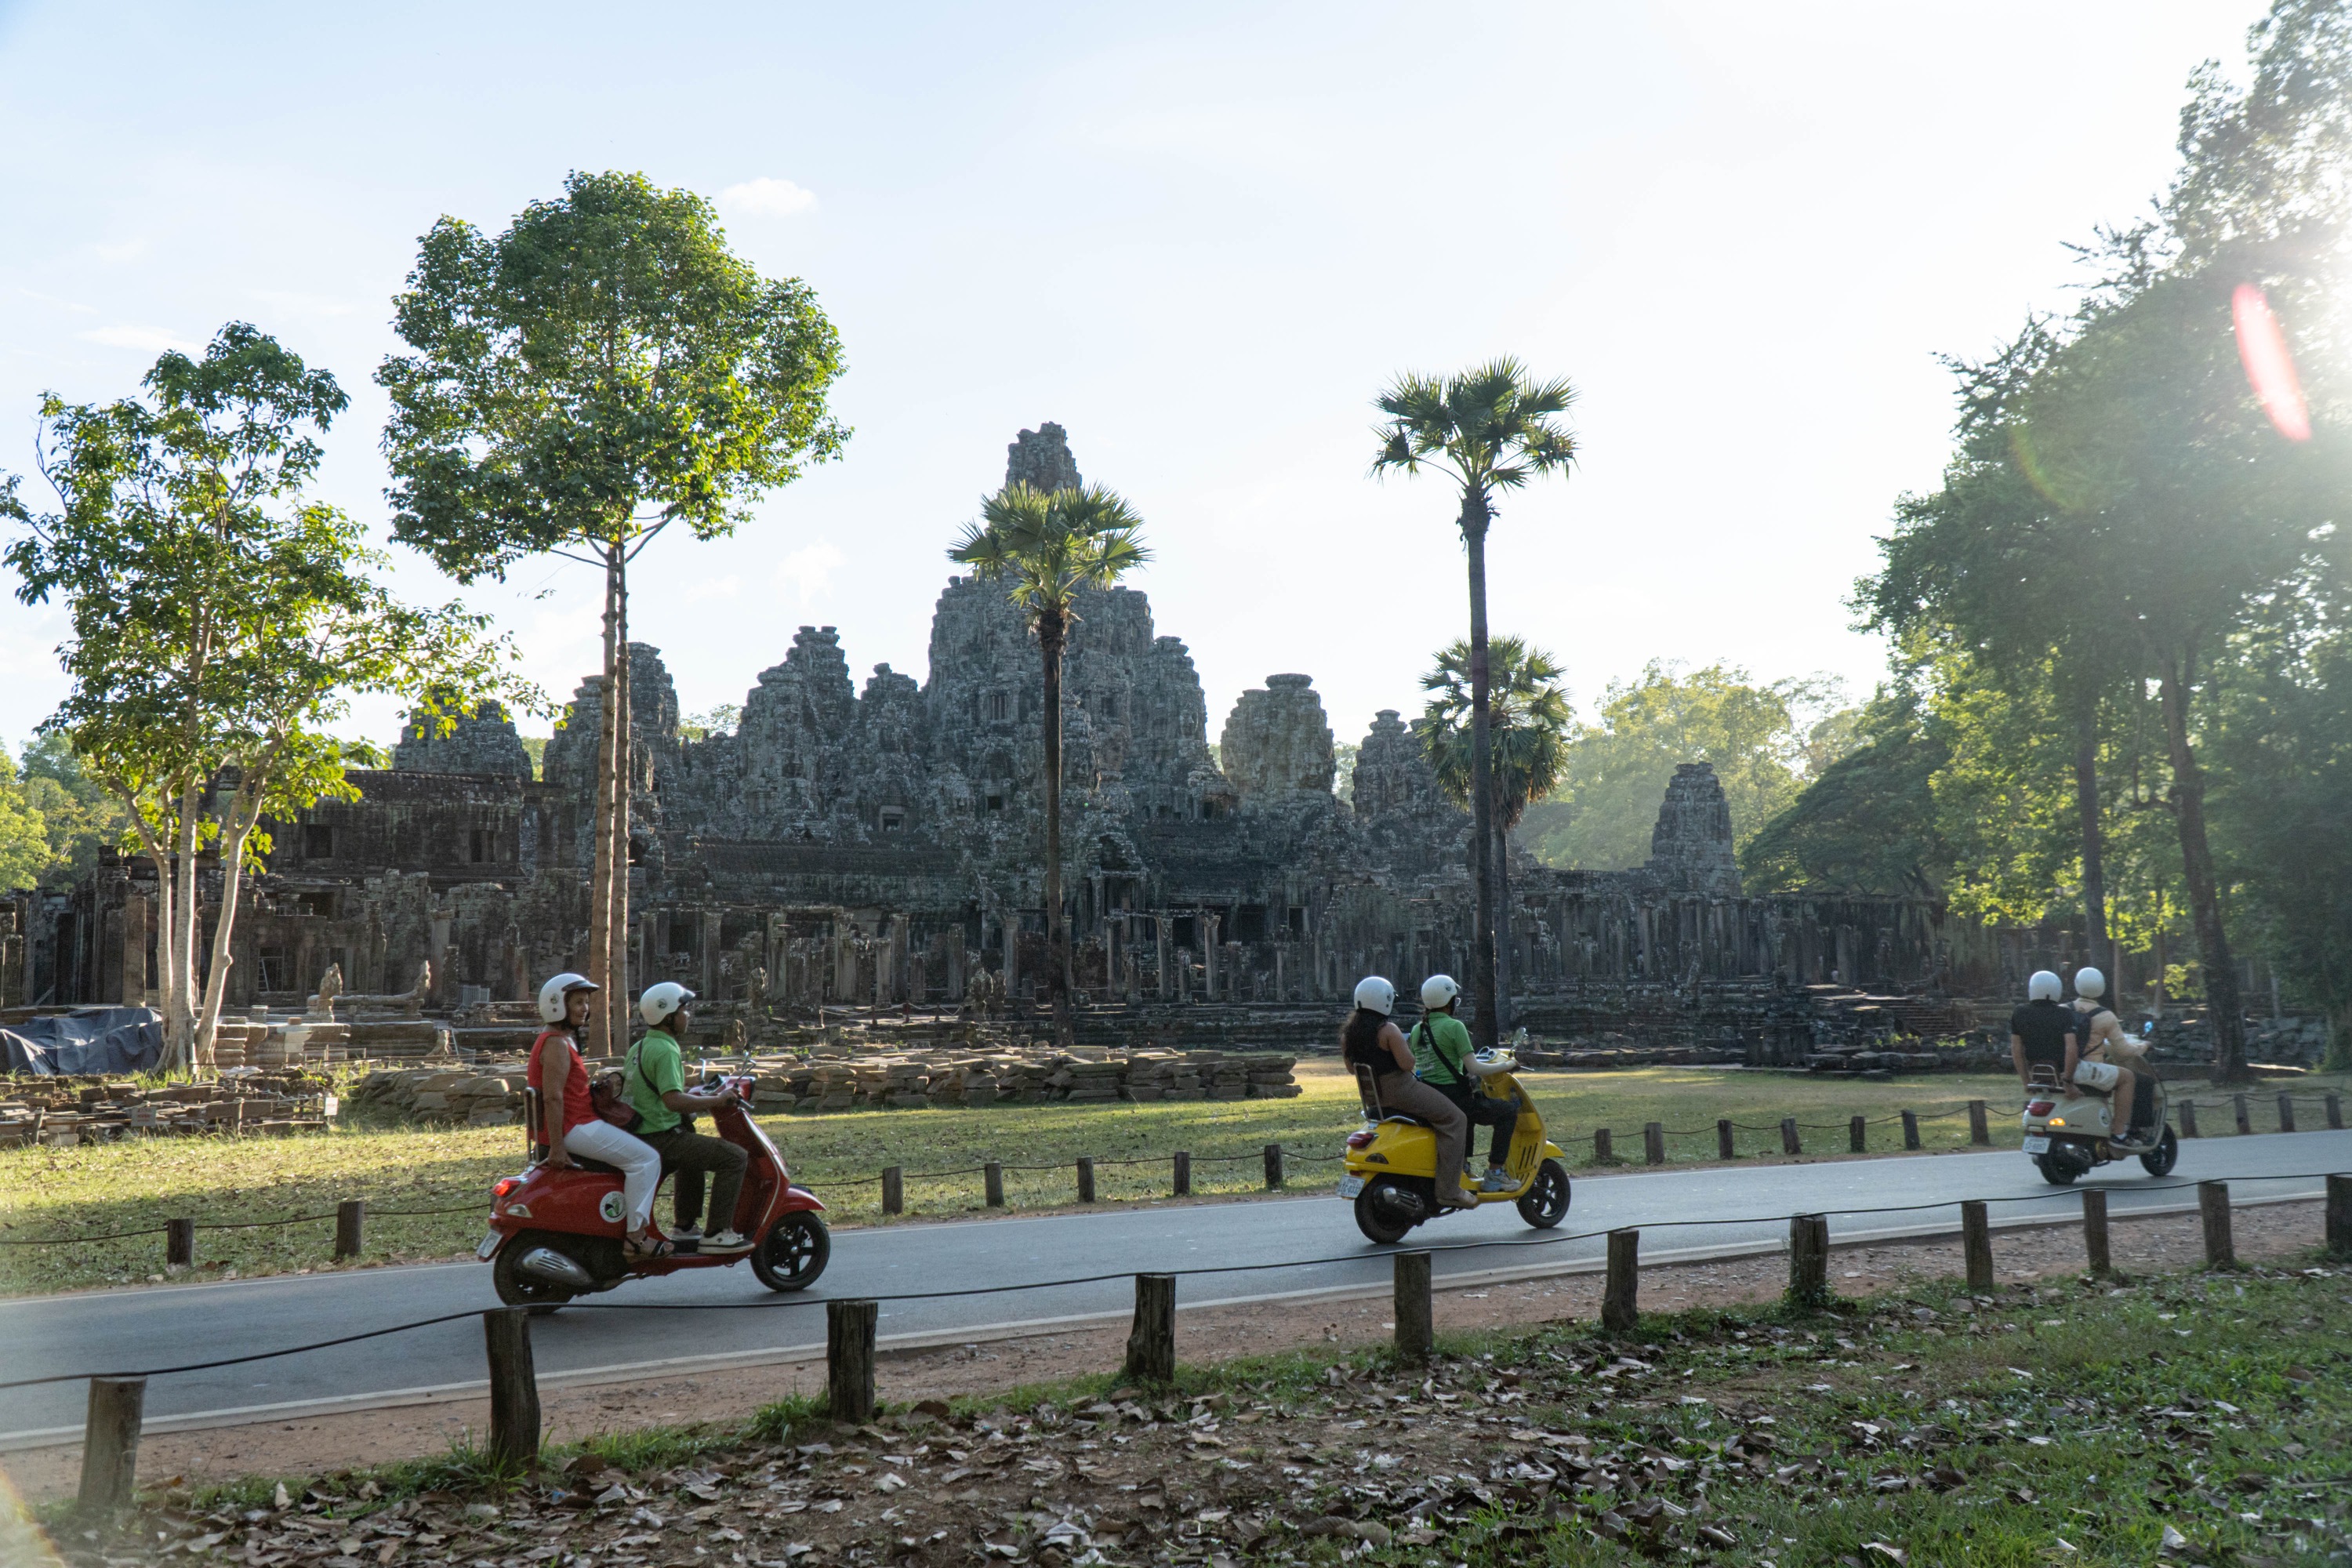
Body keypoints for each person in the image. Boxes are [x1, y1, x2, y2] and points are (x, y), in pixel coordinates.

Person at [528, 972, 669, 1258]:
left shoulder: (561, 1039)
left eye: (585, 1003)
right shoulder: (555, 1043)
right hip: (575, 1127)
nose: (585, 1008)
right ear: (556, 1004)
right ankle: (636, 1238)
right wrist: (557, 1147)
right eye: (578, 1002)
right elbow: (553, 1098)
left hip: (578, 1123)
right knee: (647, 1160)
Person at [626, 983, 753, 1254]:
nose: (688, 1015)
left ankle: (684, 1227)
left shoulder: (639, 1047)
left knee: (693, 1148)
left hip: (644, 1133)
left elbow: (659, 1092)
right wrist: (718, 1100)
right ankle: (718, 1233)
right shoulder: (667, 1050)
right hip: (660, 1136)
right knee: (735, 1157)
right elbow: (672, 1101)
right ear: (667, 1015)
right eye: (683, 1009)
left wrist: (694, 1093)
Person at [1342, 976, 1473, 1211]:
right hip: (1402, 1090)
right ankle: (1449, 1189)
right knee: (1456, 1119)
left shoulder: (1348, 1035)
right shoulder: (1388, 1030)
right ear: (1386, 1001)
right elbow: (1407, 1063)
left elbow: (1351, 1068)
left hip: (1375, 1098)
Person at [1411, 975, 1519, 1192]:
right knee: (1507, 1112)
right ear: (1449, 1002)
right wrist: (1507, 1066)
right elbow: (1475, 1068)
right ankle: (1496, 1173)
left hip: (1431, 1098)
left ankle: (1464, 1165)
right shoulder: (1455, 1027)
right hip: (1454, 1098)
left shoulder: (1417, 1030)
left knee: (1470, 1110)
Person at [2069, 967, 2147, 1143]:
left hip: (2066, 1067)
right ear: (2102, 987)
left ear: (2077, 985)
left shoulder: (2062, 1009)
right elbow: (2123, 1051)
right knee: (2128, 1078)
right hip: (2089, 1069)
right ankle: (2119, 1132)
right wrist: (2144, 1046)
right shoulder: (2106, 1016)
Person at [2010, 969, 2078, 1091]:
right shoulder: (2064, 1013)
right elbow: (2071, 1049)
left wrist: (2026, 1082)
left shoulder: (2019, 1012)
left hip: (2036, 1071)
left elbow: (2016, 1050)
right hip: (2063, 1072)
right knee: (2124, 1077)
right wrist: (2068, 1081)